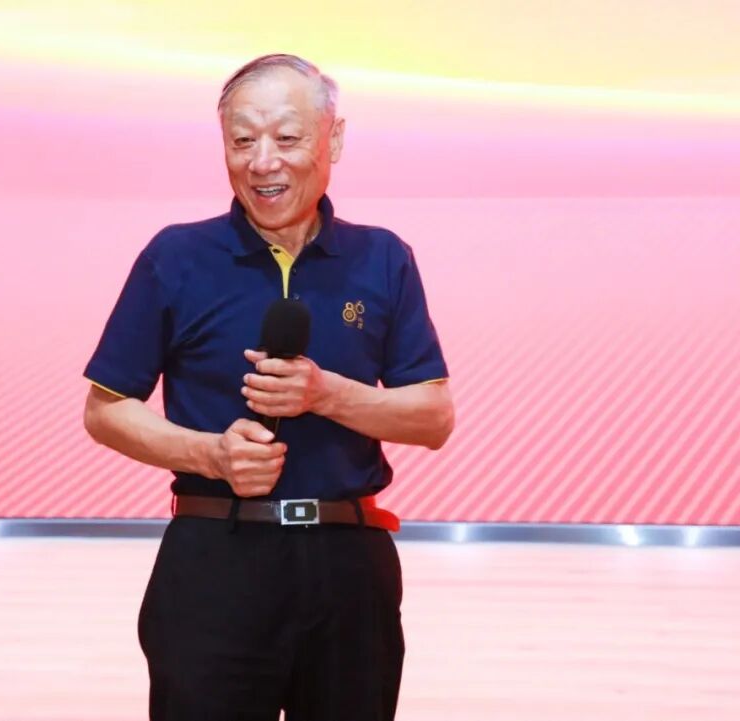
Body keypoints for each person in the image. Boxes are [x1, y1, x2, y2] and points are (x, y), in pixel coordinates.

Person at [82, 53, 454, 721]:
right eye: (242, 140)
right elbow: (105, 410)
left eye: (286, 137)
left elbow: (432, 417)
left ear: (333, 139)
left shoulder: (383, 258)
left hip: (348, 565)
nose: (262, 162)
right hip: (213, 560)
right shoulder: (175, 256)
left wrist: (325, 394)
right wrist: (209, 454)